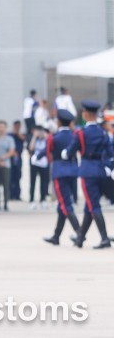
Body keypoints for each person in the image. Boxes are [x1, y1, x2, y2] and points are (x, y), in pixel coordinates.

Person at [67, 100, 112, 249]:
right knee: (90, 205)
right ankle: (80, 238)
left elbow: (70, 151)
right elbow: (111, 154)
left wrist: (64, 153)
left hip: (87, 171)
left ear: (85, 114)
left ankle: (104, 238)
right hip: (100, 170)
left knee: (94, 205)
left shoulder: (81, 133)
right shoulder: (102, 132)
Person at [43, 109, 81, 245]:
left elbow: (49, 154)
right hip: (73, 170)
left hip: (59, 171)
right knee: (62, 205)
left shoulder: (54, 137)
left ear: (58, 122)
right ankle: (56, 236)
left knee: (65, 205)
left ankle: (80, 233)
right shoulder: (74, 135)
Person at [0, 120, 16, 212]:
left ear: (5, 128)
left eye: (2, 127)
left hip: (6, 165)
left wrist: (2, 158)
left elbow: (11, 151)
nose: (0, 128)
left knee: (6, 185)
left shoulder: (9, 139)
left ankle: (5, 204)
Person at [27, 126, 50, 209]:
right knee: (33, 182)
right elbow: (30, 148)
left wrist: (45, 135)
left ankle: (43, 199)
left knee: (44, 182)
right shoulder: (32, 138)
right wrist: (35, 136)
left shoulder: (46, 139)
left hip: (44, 163)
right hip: (34, 162)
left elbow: (50, 146)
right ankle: (31, 200)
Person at [9, 120, 24, 201]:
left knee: (18, 176)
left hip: (18, 159)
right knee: (11, 177)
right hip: (10, 158)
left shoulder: (20, 136)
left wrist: (18, 134)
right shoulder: (9, 135)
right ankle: (11, 195)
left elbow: (24, 140)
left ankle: (17, 195)